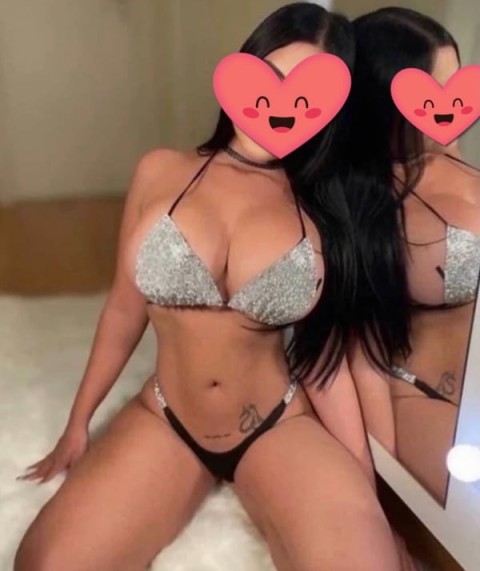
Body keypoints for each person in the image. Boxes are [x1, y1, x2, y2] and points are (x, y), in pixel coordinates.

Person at [14, 4, 402, 571]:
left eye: (307, 97)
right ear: (240, 72)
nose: (282, 107)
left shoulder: (323, 210)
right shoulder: (160, 171)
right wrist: (78, 423)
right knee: (47, 564)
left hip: (276, 422)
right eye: (272, 79)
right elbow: (123, 310)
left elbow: (327, 359)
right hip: (166, 416)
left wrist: (363, 482)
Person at [346, 7, 480, 504]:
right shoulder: (361, 204)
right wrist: (383, 474)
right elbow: (360, 355)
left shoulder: (462, 171)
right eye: (432, 94)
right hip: (423, 397)